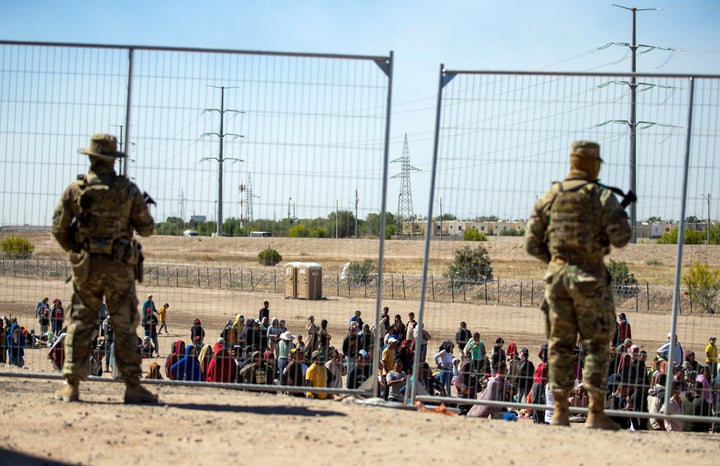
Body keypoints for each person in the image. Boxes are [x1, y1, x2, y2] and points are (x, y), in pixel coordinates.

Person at [525, 140, 631, 429]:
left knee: (559, 344)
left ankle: (559, 411)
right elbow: (621, 237)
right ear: (593, 164)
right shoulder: (599, 196)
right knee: (596, 343)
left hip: (557, 280)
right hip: (589, 279)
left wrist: (556, 261)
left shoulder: (551, 195)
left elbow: (531, 243)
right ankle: (595, 413)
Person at [51, 133, 157, 404]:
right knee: (124, 326)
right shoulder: (128, 190)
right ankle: (132, 385)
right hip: (119, 268)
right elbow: (147, 228)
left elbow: (59, 228)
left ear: (91, 157)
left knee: (81, 323)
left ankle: (71, 385)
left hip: (86, 267)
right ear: (113, 160)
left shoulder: (77, 189)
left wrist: (77, 250)